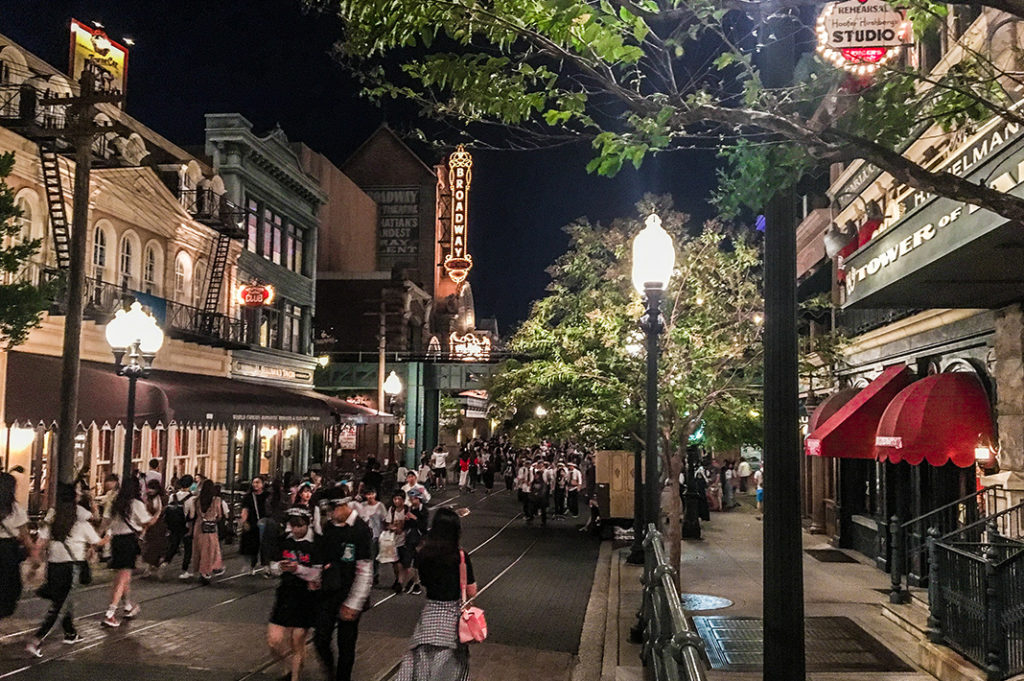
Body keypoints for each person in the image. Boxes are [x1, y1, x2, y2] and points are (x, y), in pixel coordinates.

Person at [394, 508, 477, 681]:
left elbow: (423, 581)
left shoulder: (423, 554)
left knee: (422, 667)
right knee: (450, 671)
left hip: (429, 618)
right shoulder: (461, 556)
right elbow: (471, 591)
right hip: (452, 622)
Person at [26, 485, 107, 656]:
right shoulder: (80, 521)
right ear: (75, 499)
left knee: (64, 600)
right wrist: (109, 535)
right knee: (60, 606)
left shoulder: (52, 516)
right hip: (71, 567)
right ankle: (37, 639)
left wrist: (34, 565)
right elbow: (98, 541)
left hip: (53, 565)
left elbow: (40, 543)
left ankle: (70, 632)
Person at [314, 491, 373, 681]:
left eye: (331, 510)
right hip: (329, 591)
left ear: (342, 506)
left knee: (346, 643)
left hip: (350, 591)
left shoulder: (361, 529)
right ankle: (330, 673)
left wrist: (354, 602)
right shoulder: (329, 527)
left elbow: (365, 569)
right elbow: (322, 556)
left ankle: (342, 678)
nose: (329, 515)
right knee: (320, 638)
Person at [267, 509, 323, 681]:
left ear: (308, 524)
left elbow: (318, 573)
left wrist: (297, 569)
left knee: (297, 640)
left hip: (306, 596)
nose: (296, 530)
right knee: (273, 640)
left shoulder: (317, 543)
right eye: (293, 525)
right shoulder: (284, 541)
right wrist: (280, 567)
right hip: (285, 593)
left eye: (300, 526)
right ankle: (288, 664)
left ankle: (294, 676)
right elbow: (272, 566)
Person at [102, 476, 155, 627]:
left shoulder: (115, 502)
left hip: (116, 541)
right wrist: (157, 514)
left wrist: (96, 542)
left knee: (125, 575)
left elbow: (105, 522)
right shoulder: (135, 503)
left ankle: (127, 606)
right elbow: (147, 521)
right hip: (129, 541)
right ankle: (110, 613)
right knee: (122, 576)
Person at [0, 472, 38, 621]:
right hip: (8, 551)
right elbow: (26, 536)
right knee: (8, 588)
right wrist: (35, 557)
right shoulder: (16, 509)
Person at [190, 480, 225, 584]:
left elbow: (192, 515)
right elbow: (219, 515)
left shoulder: (196, 500)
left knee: (199, 549)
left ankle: (200, 569)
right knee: (210, 550)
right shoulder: (216, 500)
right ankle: (207, 570)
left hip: (199, 526)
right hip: (210, 527)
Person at [162, 475, 194, 579]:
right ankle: (185, 570)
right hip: (185, 526)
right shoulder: (192, 498)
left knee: (173, 545)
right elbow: (192, 515)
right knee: (188, 548)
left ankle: (165, 563)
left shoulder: (173, 496)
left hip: (173, 525)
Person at [356, 487, 387, 585]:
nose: (370, 496)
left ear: (375, 494)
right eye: (368, 494)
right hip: (364, 535)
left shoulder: (380, 506)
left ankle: (375, 575)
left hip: (376, 534)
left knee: (374, 556)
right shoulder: (362, 506)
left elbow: (384, 519)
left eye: (372, 494)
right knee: (366, 556)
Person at [240, 476, 270, 574]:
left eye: (258, 482)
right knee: (252, 545)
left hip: (265, 522)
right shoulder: (249, 496)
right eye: (254, 482)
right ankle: (251, 566)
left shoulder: (268, 495)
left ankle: (266, 566)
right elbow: (245, 509)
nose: (255, 484)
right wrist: (244, 522)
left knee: (265, 545)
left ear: (263, 484)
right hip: (252, 523)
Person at [384, 492, 411, 592]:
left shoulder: (407, 510)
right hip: (393, 540)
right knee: (395, 563)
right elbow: (387, 524)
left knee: (402, 562)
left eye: (399, 499)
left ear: (403, 500)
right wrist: (393, 527)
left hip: (405, 540)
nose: (397, 501)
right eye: (395, 499)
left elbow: (412, 523)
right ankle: (398, 579)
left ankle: (400, 582)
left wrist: (404, 526)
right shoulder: (391, 510)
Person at [140, 479, 167, 575]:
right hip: (149, 524)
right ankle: (150, 565)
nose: (150, 491)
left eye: (153, 489)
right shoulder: (147, 497)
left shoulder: (161, 498)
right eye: (149, 488)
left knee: (156, 545)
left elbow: (161, 511)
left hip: (159, 525)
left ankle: (154, 564)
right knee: (148, 545)